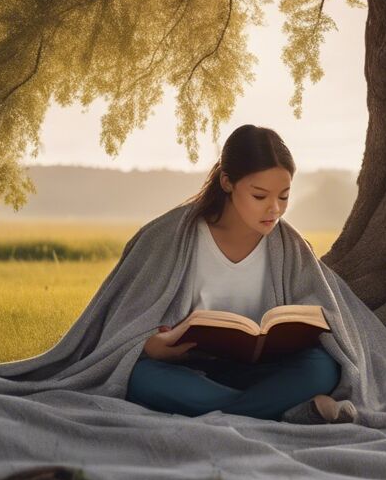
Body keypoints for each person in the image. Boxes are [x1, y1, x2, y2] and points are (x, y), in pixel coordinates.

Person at [125, 124, 358, 424]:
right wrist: (151, 346)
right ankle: (280, 412)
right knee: (143, 377)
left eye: (284, 197)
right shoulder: (170, 237)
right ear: (227, 182)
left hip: (266, 371)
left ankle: (243, 411)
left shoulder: (290, 246)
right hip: (190, 370)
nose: (274, 209)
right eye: (260, 196)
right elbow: (123, 323)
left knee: (322, 367)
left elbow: (330, 316)